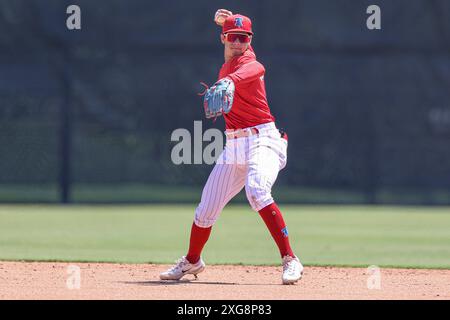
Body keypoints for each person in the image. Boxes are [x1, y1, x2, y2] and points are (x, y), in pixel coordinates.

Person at [160, 9, 303, 285]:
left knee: (257, 189)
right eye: (232, 37)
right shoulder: (228, 65)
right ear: (223, 38)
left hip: (263, 139)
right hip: (234, 144)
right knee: (206, 209)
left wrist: (230, 80)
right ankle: (192, 261)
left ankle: (290, 259)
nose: (238, 42)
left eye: (243, 37)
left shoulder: (248, 63)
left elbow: (257, 68)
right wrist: (223, 24)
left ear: (250, 40)